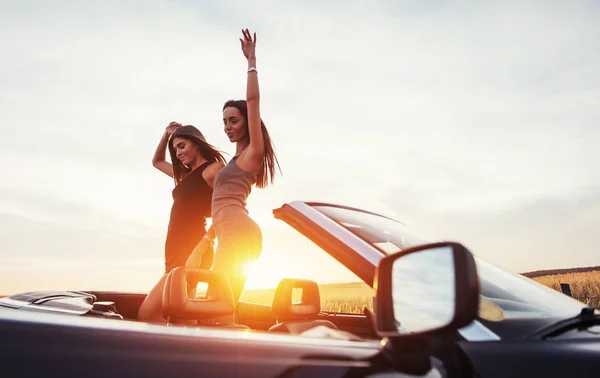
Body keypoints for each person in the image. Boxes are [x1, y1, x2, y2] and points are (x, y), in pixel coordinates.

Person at [186, 29, 281, 304]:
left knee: (217, 303)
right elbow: (221, 206)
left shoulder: (253, 153)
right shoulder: (233, 162)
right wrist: (205, 241)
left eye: (234, 120)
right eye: (224, 122)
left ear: (246, 123)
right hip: (229, 230)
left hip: (239, 231)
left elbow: (253, 102)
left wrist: (251, 62)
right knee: (221, 302)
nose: (228, 127)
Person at [138, 122, 226, 323]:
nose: (177, 153)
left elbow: (225, 209)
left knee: (148, 313)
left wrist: (203, 246)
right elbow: (157, 161)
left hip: (192, 249)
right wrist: (166, 135)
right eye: (175, 149)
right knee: (180, 317)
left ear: (197, 144)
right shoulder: (185, 176)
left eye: (182, 146)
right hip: (176, 250)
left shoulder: (213, 169)